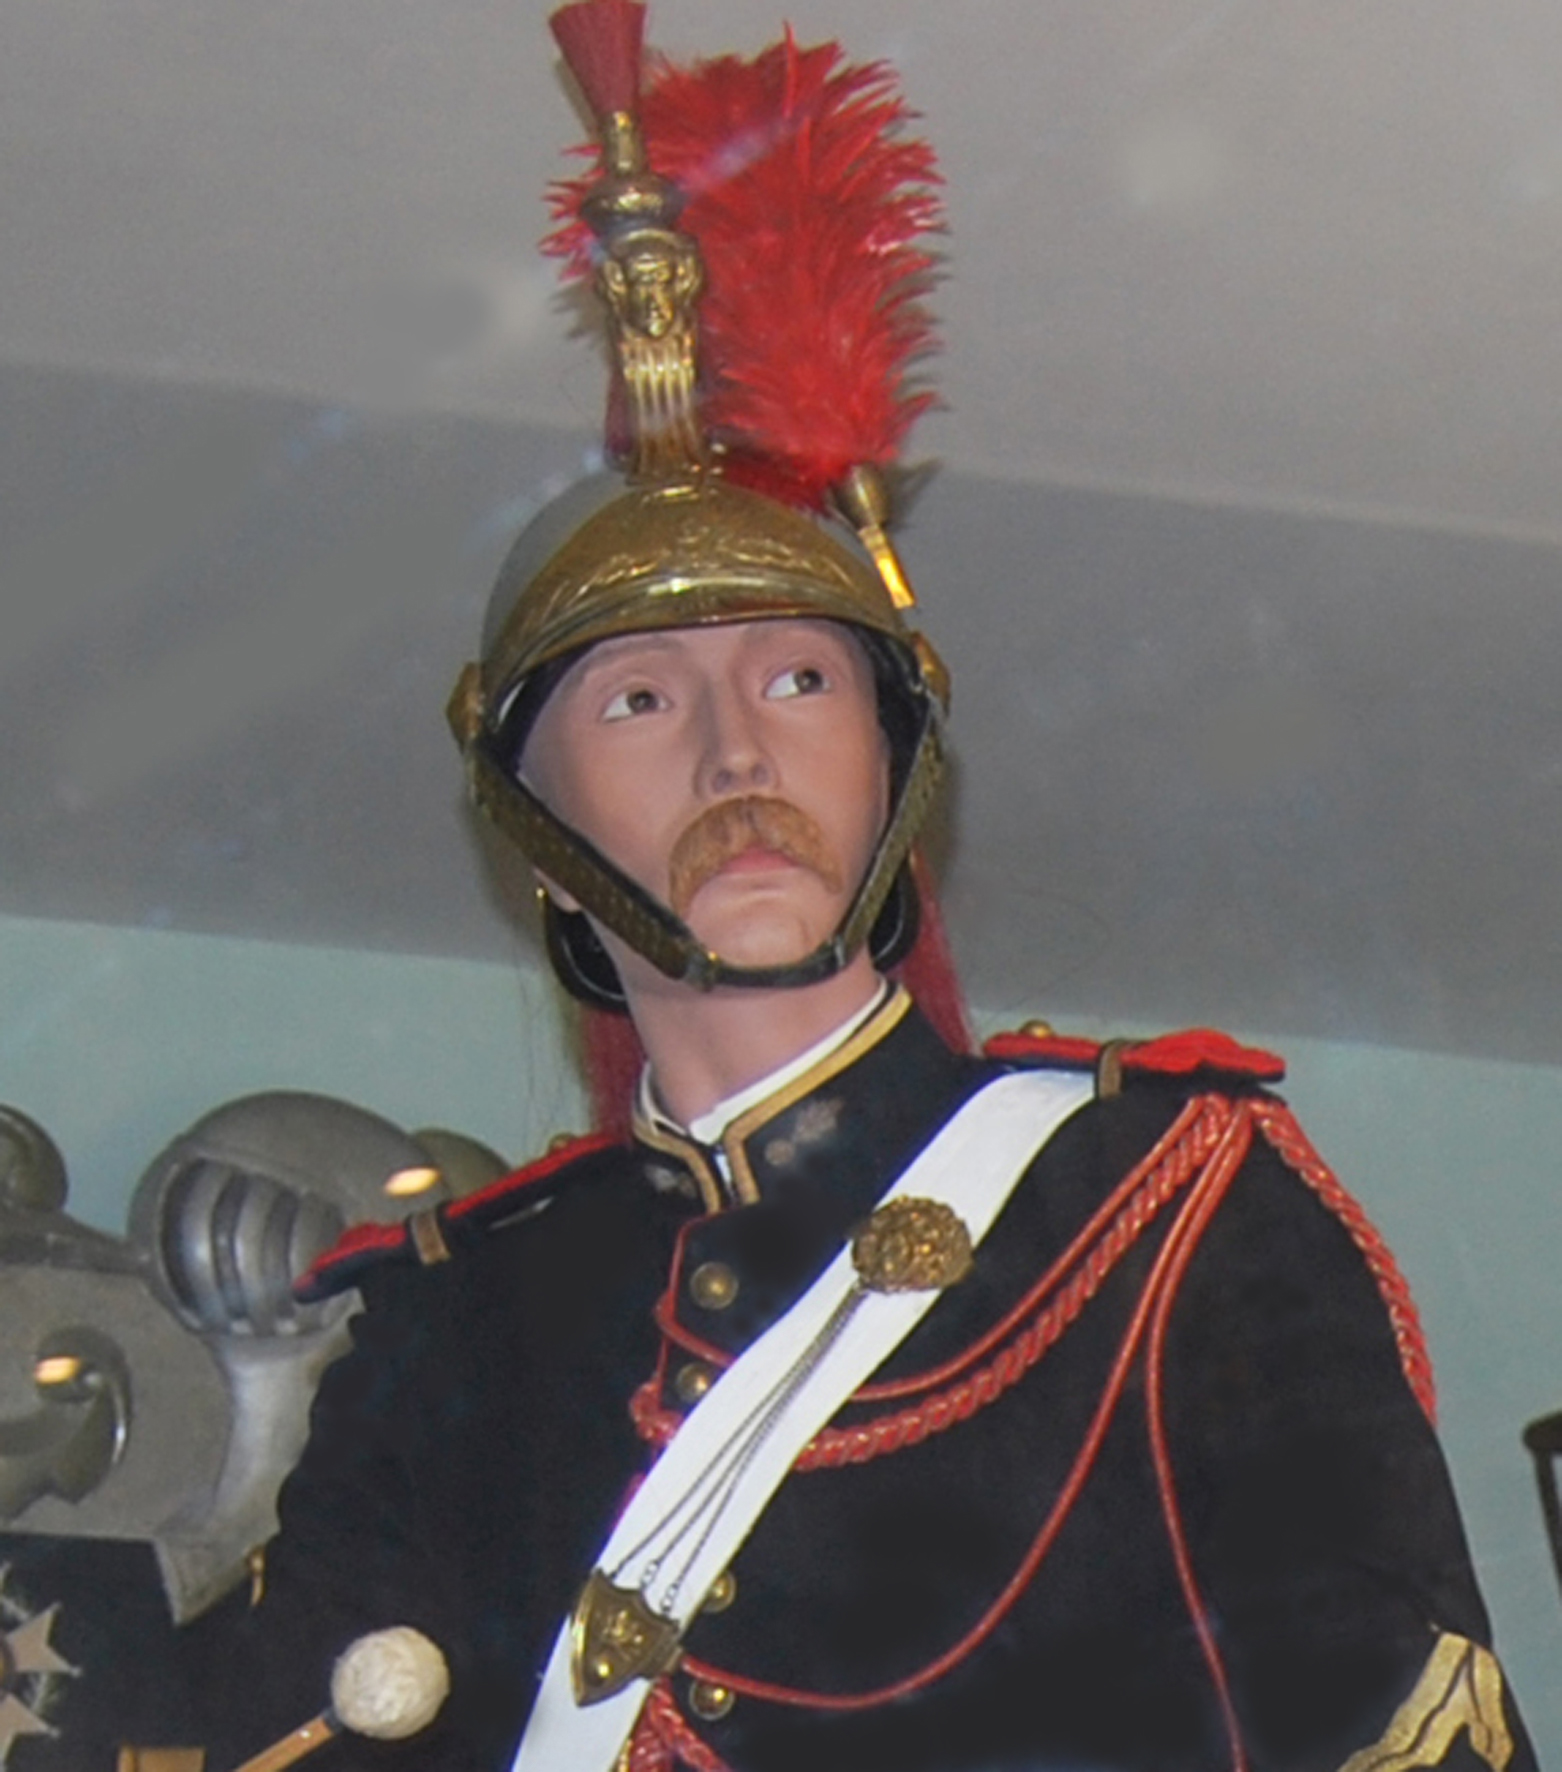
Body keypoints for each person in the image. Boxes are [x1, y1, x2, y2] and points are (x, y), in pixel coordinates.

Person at [209, 7, 1535, 1770]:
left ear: (895, 766)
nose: (732, 754)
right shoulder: (455, 1318)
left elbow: (1394, 1727)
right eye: (638, 702)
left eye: (798, 679)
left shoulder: (1158, 1195)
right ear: (531, 835)